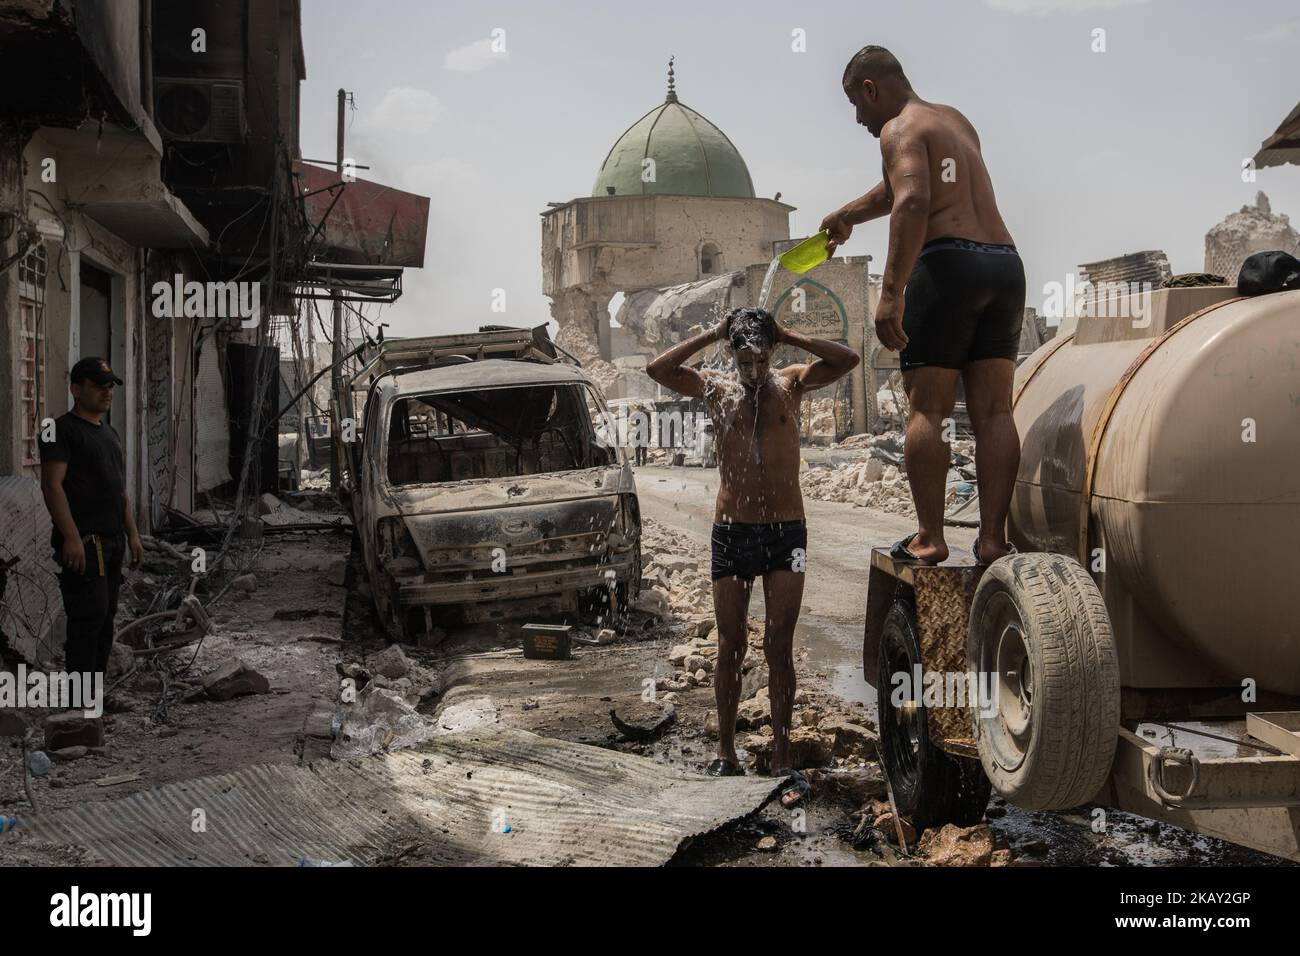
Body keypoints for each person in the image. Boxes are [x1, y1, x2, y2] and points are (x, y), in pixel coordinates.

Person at [647, 308, 859, 805]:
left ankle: (783, 756)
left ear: (772, 353)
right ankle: (726, 753)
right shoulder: (715, 389)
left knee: (780, 645)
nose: (754, 370)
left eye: (761, 358)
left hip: (788, 534)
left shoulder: (792, 384)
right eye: (744, 360)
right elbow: (658, 370)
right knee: (730, 644)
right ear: (731, 355)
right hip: (731, 533)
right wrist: (711, 331)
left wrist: (786, 334)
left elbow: (847, 358)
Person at [821, 45, 1024, 566]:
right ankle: (993, 540)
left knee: (927, 409)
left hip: (949, 266)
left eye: (855, 105)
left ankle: (930, 537)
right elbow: (905, 186)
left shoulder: (896, 129)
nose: (858, 120)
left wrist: (892, 291)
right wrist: (848, 214)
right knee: (995, 411)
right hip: (1003, 264)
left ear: (871, 89)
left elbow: (913, 200)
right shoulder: (953, 121)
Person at [39, 357, 143, 698]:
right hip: (86, 542)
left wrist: (133, 534)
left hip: (113, 541)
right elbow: (52, 486)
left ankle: (94, 694)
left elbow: (119, 490)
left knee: (106, 617)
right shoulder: (61, 430)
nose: (107, 392)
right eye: (99, 386)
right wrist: (71, 537)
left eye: (110, 386)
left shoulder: (108, 432)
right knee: (87, 619)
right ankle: (78, 701)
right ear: (76, 389)